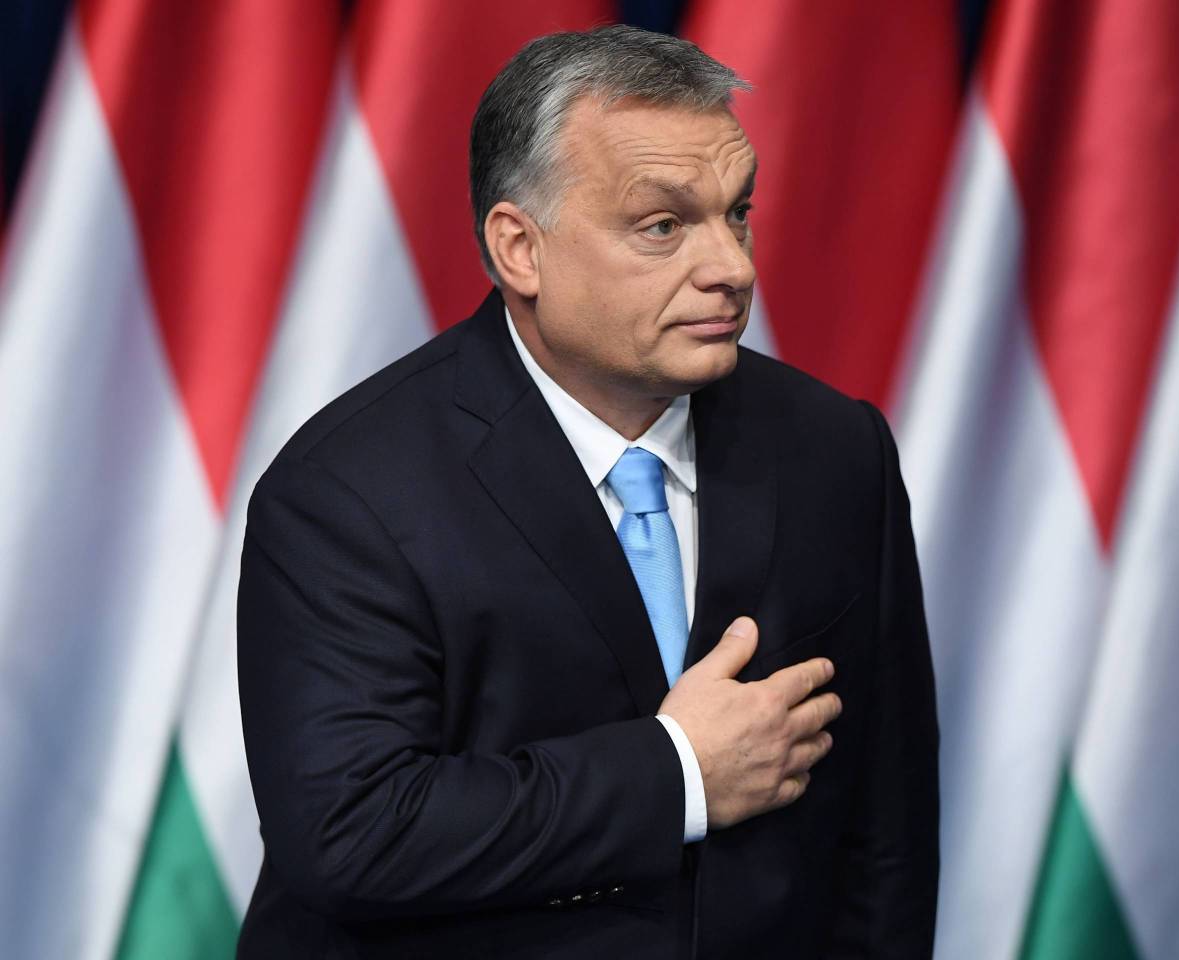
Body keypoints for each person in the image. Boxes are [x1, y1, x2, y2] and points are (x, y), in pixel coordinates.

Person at [236, 24, 938, 959]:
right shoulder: (346, 493)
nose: (732, 267)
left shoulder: (836, 449)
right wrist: (677, 772)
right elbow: (352, 834)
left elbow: (886, 831)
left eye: (736, 213)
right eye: (663, 227)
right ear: (520, 249)